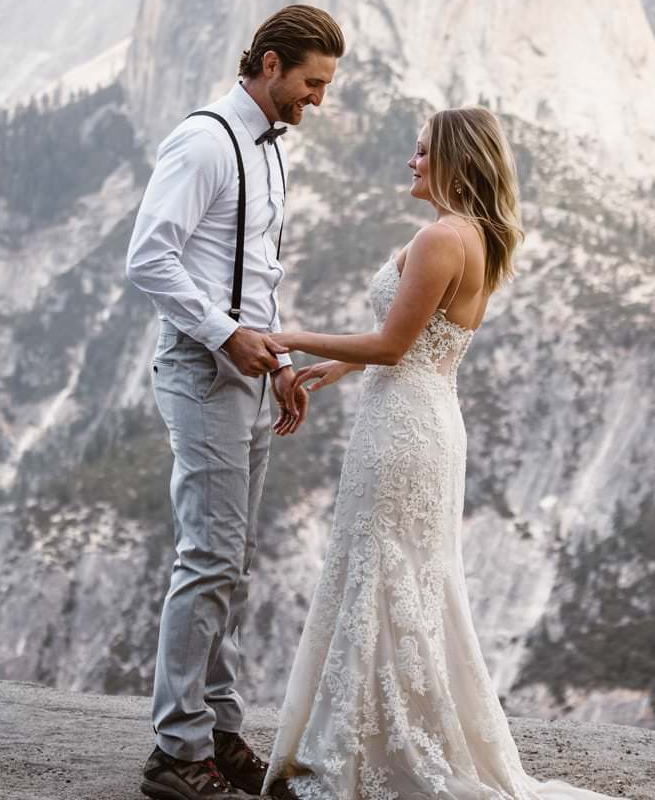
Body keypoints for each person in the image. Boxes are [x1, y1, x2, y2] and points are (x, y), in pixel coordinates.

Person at [263, 107, 623, 800]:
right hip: (423, 416)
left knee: (382, 572)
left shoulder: (439, 240)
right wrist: (338, 369)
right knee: (406, 577)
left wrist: (293, 338)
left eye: (423, 151)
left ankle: (368, 751)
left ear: (454, 160)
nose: (412, 161)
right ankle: (372, 740)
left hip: (403, 427)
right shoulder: (476, 237)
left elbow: (396, 348)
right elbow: (418, 341)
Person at [126, 4, 345, 800]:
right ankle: (176, 752)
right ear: (272, 63)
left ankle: (217, 732)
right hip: (203, 371)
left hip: (251, 372)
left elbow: (253, 270)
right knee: (209, 558)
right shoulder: (205, 141)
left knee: (234, 564)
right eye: (312, 83)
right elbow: (149, 257)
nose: (317, 99)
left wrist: (276, 357)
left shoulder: (272, 150)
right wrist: (225, 338)